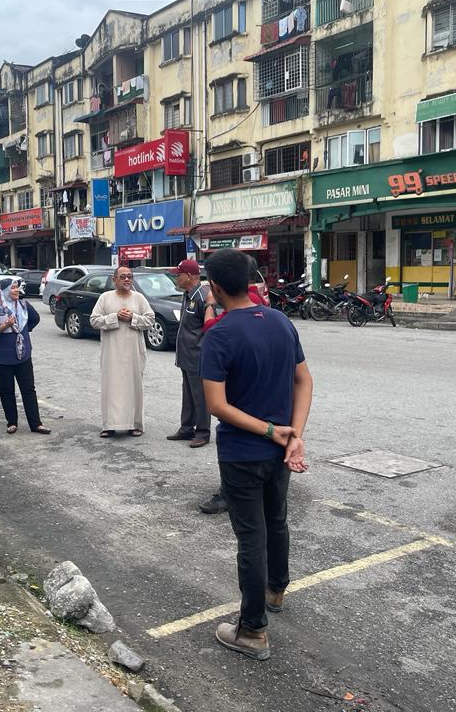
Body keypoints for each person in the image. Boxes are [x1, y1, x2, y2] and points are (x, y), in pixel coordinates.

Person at [200, 249, 313, 661]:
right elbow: (304, 381)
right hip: (279, 449)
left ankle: (252, 630)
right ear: (249, 283)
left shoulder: (220, 334)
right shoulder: (281, 321)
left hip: (243, 452)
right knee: (276, 520)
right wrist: (293, 435)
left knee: (251, 535)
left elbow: (216, 404)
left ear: (213, 287)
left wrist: (271, 430)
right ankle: (275, 591)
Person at [196, 283, 267, 515]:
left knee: (239, 435)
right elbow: (303, 379)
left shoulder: (232, 313)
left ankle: (229, 493)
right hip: (267, 382)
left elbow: (209, 328)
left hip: (240, 387)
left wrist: (209, 305)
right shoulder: (266, 309)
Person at [90, 266, 155, 438]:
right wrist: (115, 317)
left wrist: (132, 318)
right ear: (114, 279)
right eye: (123, 276)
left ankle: (135, 424)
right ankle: (109, 425)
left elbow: (150, 320)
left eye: (129, 276)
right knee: (111, 386)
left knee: (134, 386)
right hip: (112, 352)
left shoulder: (139, 298)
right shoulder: (105, 298)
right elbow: (94, 320)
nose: (127, 279)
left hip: (133, 351)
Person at [0, 278, 51, 435]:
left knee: (28, 389)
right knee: (7, 390)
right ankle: (12, 422)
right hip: (2, 357)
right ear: (4, 291)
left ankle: (36, 424)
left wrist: (22, 332)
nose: (17, 290)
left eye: (17, 287)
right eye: (13, 288)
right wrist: (3, 327)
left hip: (22, 355)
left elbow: (35, 319)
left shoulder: (24, 305)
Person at [167, 259, 211, 449]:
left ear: (191, 276)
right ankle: (186, 427)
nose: (176, 278)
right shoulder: (188, 294)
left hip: (198, 355)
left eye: (179, 275)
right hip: (186, 355)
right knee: (189, 394)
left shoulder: (203, 297)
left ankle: (202, 432)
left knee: (200, 396)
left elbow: (210, 327)